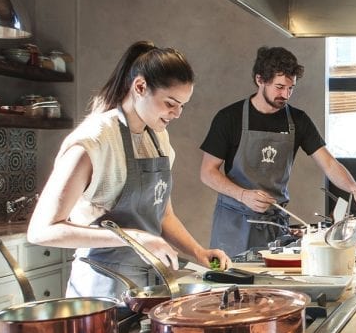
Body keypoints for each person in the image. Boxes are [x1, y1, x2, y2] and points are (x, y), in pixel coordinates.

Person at [27, 41, 231, 299]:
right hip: (101, 290)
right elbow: (42, 230)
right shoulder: (93, 142)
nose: (177, 113)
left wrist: (198, 252)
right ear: (140, 87)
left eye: (182, 105)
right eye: (170, 103)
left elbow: (163, 215)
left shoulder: (158, 139)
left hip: (149, 287)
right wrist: (133, 238)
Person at [200, 46, 356, 256]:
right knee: (233, 284)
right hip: (233, 223)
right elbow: (207, 172)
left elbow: (328, 163)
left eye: (291, 88)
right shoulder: (229, 118)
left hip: (275, 223)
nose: (286, 94)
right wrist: (243, 194)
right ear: (260, 80)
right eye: (280, 87)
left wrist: (355, 189)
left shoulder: (298, 121)